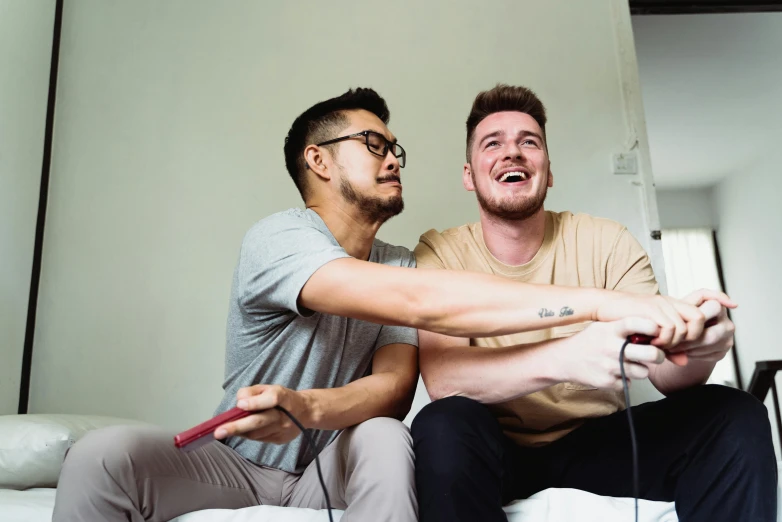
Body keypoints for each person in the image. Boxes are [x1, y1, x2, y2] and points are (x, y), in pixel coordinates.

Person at [54, 87, 710, 522]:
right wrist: (599, 306)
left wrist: (309, 407)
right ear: (318, 160)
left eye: (395, 147)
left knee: (387, 434)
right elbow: (420, 300)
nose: (393, 156)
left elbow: (396, 386)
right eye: (373, 144)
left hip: (330, 466)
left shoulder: (399, 258)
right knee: (101, 455)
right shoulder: (279, 236)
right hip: (238, 462)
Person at [411, 84, 778, 522]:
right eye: (494, 144)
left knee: (737, 413)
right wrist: (568, 358)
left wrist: (700, 350)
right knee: (440, 424)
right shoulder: (439, 252)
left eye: (529, 142)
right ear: (470, 174)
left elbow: (664, 371)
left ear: (548, 171)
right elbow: (444, 378)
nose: (513, 153)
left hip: (598, 441)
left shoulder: (606, 242)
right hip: (494, 450)